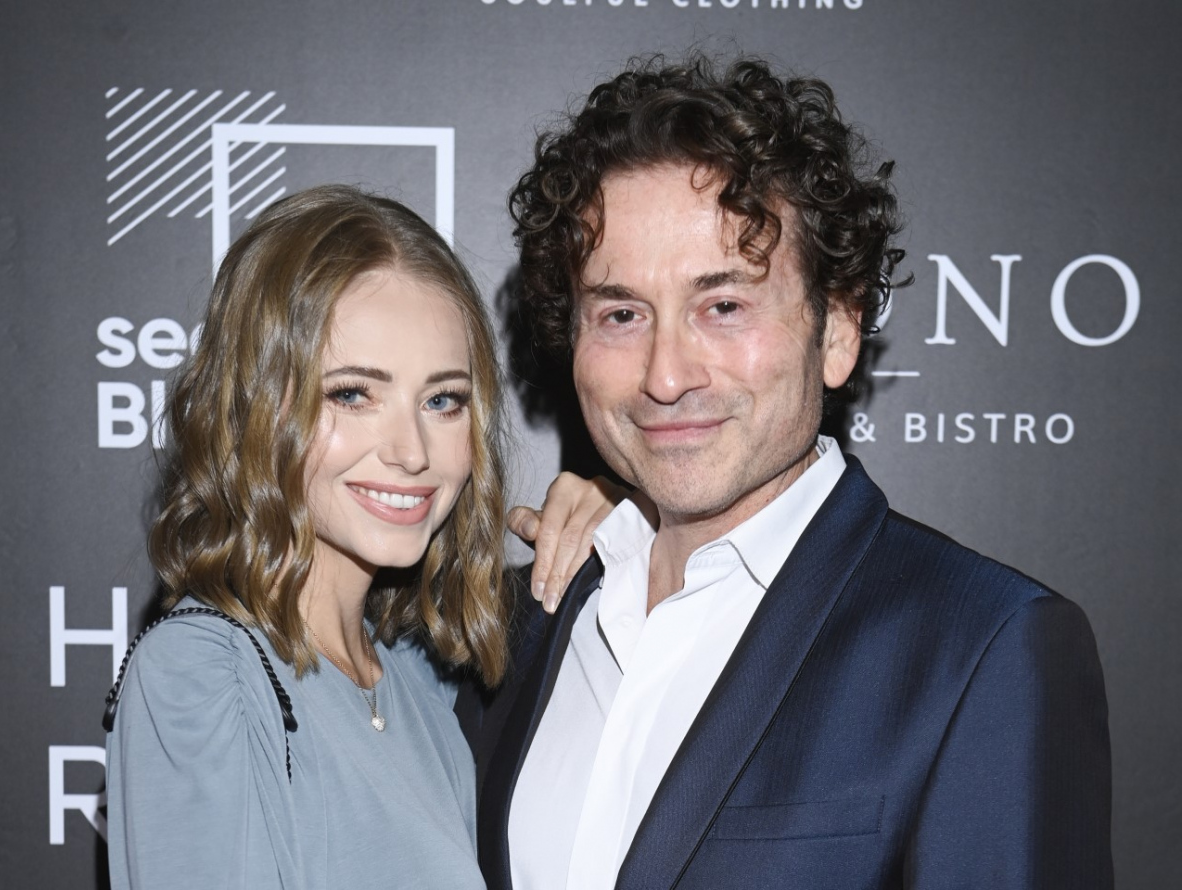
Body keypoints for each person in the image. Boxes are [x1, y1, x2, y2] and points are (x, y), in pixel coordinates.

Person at [465, 54, 1114, 889]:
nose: (667, 375)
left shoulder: (981, 650)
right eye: (622, 314)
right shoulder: (515, 627)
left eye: (723, 306)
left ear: (837, 329)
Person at [103, 185, 619, 890]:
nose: (411, 451)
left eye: (442, 401)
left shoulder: (421, 679)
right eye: (352, 394)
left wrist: (625, 518)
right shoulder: (203, 674)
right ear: (258, 406)